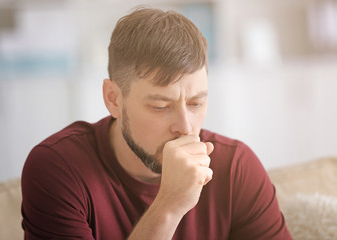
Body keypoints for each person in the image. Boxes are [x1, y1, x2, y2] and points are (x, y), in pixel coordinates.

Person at [21, 7, 292, 240]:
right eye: (160, 106)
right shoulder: (57, 168)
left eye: (196, 103)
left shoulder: (235, 167)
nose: (186, 128)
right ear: (113, 99)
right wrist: (169, 205)